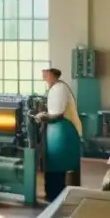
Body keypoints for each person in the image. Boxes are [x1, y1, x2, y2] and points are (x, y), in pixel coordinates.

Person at [35, 67, 82, 202]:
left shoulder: (59, 89)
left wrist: (42, 116)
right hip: (58, 131)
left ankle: (54, 195)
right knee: (55, 164)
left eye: (46, 76)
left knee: (56, 164)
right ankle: (54, 194)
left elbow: (57, 114)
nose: (44, 78)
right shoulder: (56, 88)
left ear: (51, 75)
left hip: (61, 130)